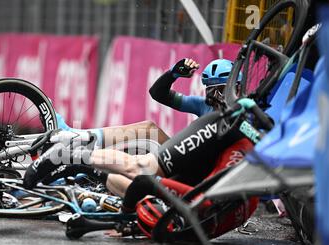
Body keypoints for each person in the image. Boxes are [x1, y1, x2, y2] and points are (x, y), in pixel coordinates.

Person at [24, 58, 251, 197]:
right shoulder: (205, 106)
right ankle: (77, 140)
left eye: (219, 91)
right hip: (189, 164)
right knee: (148, 130)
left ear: (236, 87)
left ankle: (78, 159)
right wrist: (173, 74)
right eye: (210, 92)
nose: (214, 98)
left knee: (136, 172)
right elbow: (158, 94)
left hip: (199, 179)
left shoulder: (248, 115)